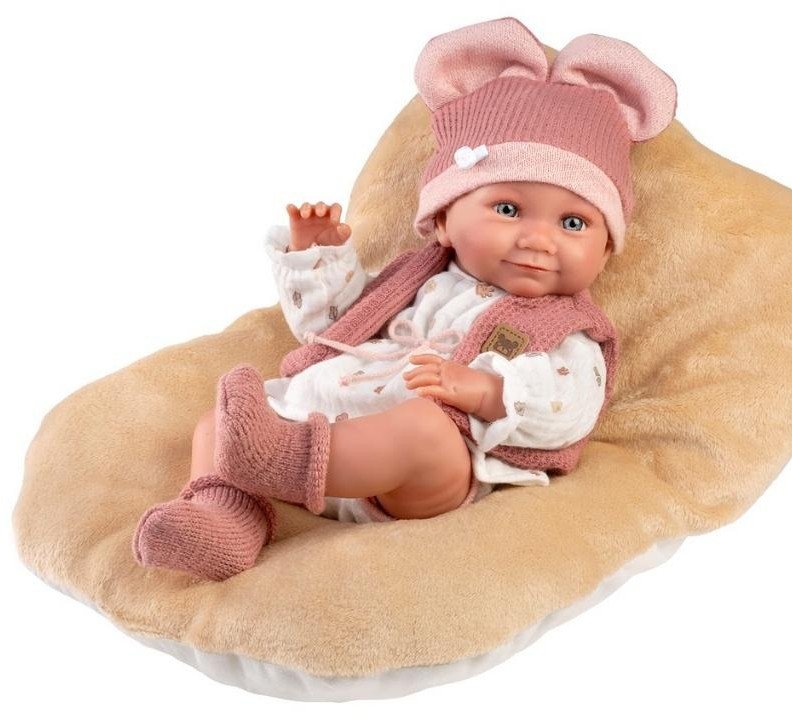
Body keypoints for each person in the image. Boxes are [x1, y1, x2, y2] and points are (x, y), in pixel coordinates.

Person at [132, 16, 677, 580]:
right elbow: (333, 326)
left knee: (423, 429)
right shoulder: (415, 279)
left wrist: (485, 390)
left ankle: (273, 462)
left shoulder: (564, 327)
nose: (539, 239)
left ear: (605, 249)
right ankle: (225, 520)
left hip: (424, 478)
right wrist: (318, 258)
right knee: (216, 424)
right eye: (508, 209)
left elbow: (570, 408)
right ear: (442, 220)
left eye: (573, 222)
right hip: (321, 426)